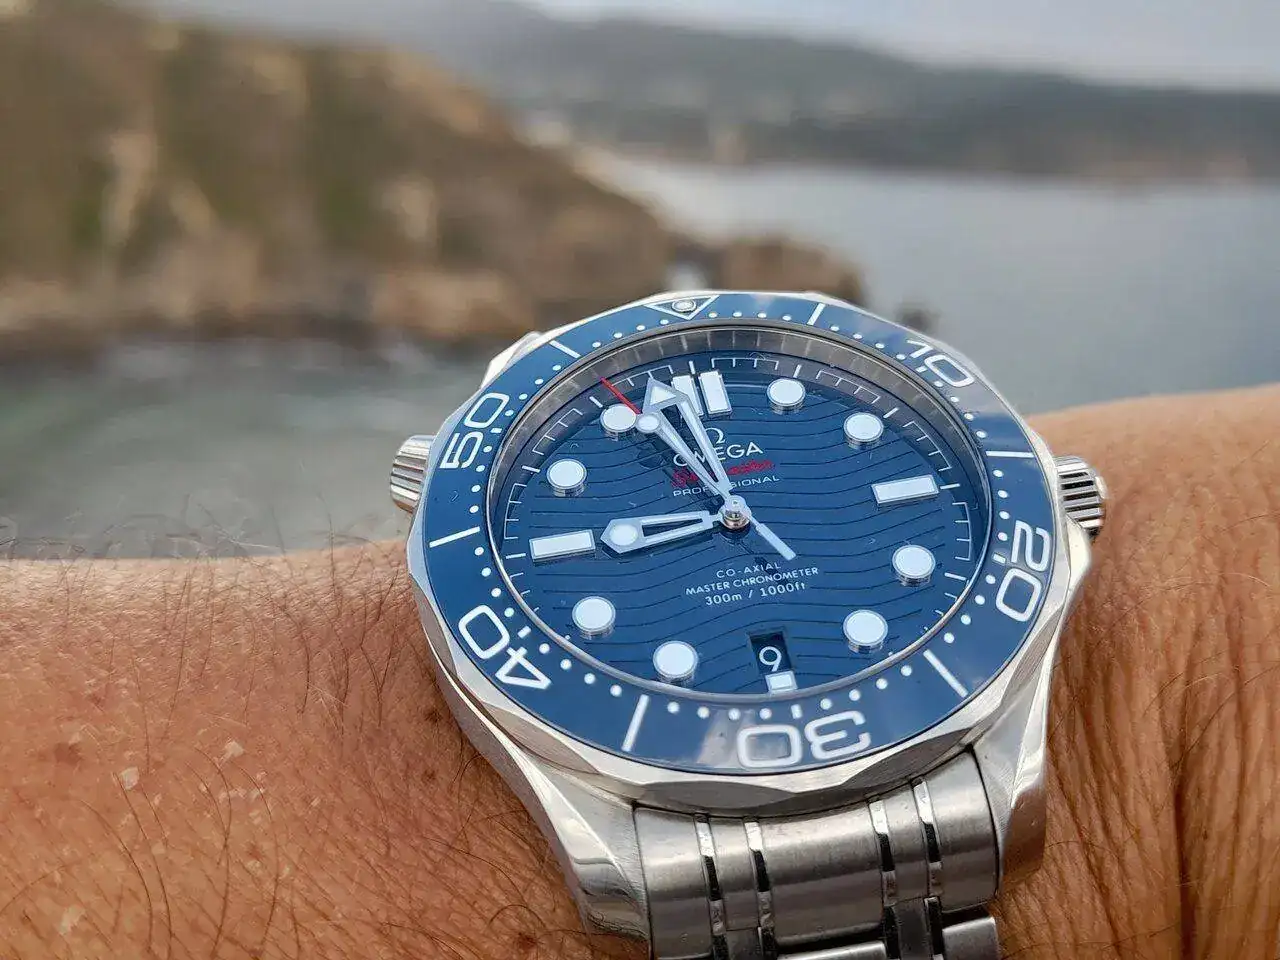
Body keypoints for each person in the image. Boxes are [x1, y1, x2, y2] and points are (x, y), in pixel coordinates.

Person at [1, 385, 1277, 960]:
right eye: (718, 507)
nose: (733, 515)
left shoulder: (994, 531)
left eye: (734, 503)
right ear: (433, 489)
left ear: (1061, 507)